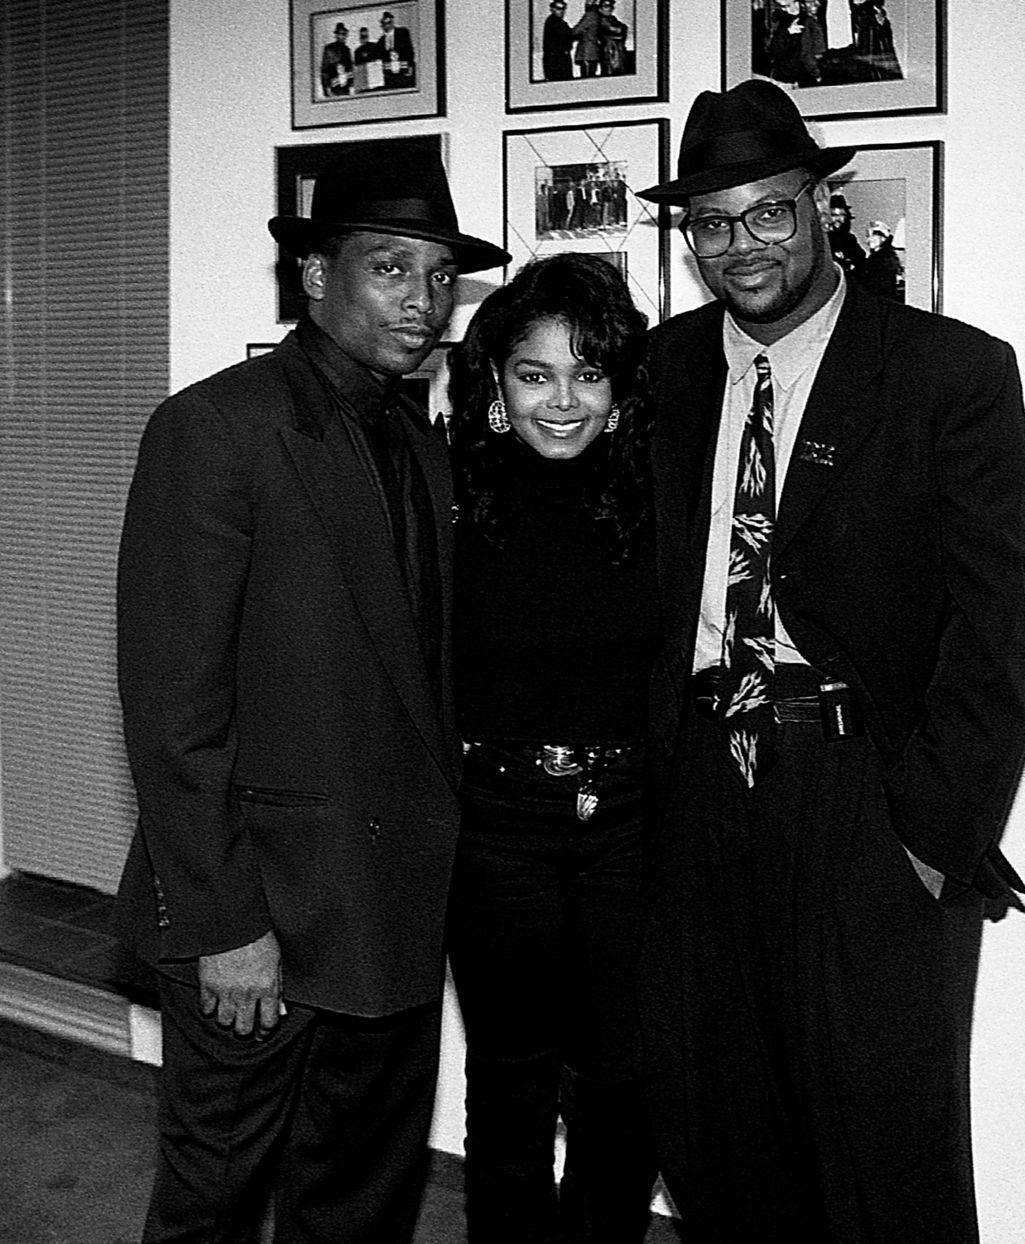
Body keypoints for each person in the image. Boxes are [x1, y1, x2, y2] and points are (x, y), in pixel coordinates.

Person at [633, 79, 1025, 1243]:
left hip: (862, 795)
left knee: (886, 1146)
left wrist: (930, 835)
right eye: (711, 223)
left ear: (822, 205)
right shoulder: (659, 373)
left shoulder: (944, 372)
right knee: (716, 1127)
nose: (739, 245)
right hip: (700, 788)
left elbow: (997, 626)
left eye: (767, 212)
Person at [114, 148, 509, 1243]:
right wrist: (225, 923)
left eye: (437, 278)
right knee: (214, 1205)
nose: (422, 302)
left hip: (390, 916)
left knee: (360, 1205)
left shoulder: (422, 444)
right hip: (263, 923)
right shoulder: (213, 429)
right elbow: (170, 710)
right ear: (315, 276)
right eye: (391, 269)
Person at [443, 253, 662, 1244]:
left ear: (618, 389)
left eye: (587, 373)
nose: (562, 400)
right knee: (510, 1082)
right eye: (535, 374)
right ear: (496, 385)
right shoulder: (448, 492)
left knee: (622, 1081)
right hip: (495, 828)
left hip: (629, 823)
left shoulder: (658, 497)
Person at [857, 220, 902, 302]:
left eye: (874, 235)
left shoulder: (882, 258)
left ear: (883, 238)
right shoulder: (878, 256)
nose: (869, 239)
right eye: (868, 236)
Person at [825, 190, 867, 273]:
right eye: (834, 215)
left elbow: (860, 256)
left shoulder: (849, 238)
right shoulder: (824, 239)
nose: (838, 219)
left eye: (842, 215)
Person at [380, 10, 416, 89]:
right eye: (384, 24)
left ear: (392, 21)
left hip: (403, 70)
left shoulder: (402, 32)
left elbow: (409, 51)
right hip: (390, 74)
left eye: (389, 22)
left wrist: (410, 67)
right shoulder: (382, 40)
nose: (386, 26)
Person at [541, 0, 575, 81]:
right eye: (559, 8)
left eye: (563, 9)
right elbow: (568, 35)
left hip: (559, 60)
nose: (562, 11)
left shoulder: (557, 22)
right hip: (556, 62)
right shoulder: (554, 22)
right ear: (552, 9)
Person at [571, 0, 605, 77]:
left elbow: (577, 30)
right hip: (592, 52)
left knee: (586, 78)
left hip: (587, 52)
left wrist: (569, 33)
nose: (586, 3)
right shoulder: (597, 15)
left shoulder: (590, 15)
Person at [319, 22, 354, 97]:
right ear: (336, 35)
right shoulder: (329, 49)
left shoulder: (347, 50)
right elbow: (324, 71)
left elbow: (350, 69)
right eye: (340, 34)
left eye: (344, 34)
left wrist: (351, 85)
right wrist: (327, 89)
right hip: (334, 87)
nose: (342, 36)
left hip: (345, 87)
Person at [597, 0, 629, 76]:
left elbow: (623, 28)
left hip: (617, 48)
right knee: (611, 71)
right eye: (606, 6)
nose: (610, 9)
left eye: (611, 6)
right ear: (600, 8)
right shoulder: (602, 19)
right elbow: (618, 29)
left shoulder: (612, 18)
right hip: (609, 49)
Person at [353, 26, 386, 91]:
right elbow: (357, 67)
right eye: (362, 37)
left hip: (375, 79)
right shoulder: (357, 51)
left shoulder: (374, 47)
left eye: (365, 36)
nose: (364, 39)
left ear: (368, 36)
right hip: (364, 81)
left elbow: (379, 62)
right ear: (360, 38)